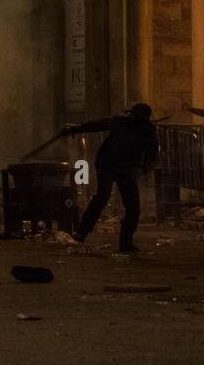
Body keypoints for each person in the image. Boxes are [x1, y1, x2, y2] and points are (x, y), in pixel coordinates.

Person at [65, 102, 160, 253]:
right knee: (103, 197)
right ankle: (82, 233)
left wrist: (141, 169)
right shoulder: (121, 122)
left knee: (132, 207)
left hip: (125, 168)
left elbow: (152, 157)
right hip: (108, 164)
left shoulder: (147, 131)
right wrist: (77, 129)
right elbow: (98, 125)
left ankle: (125, 242)